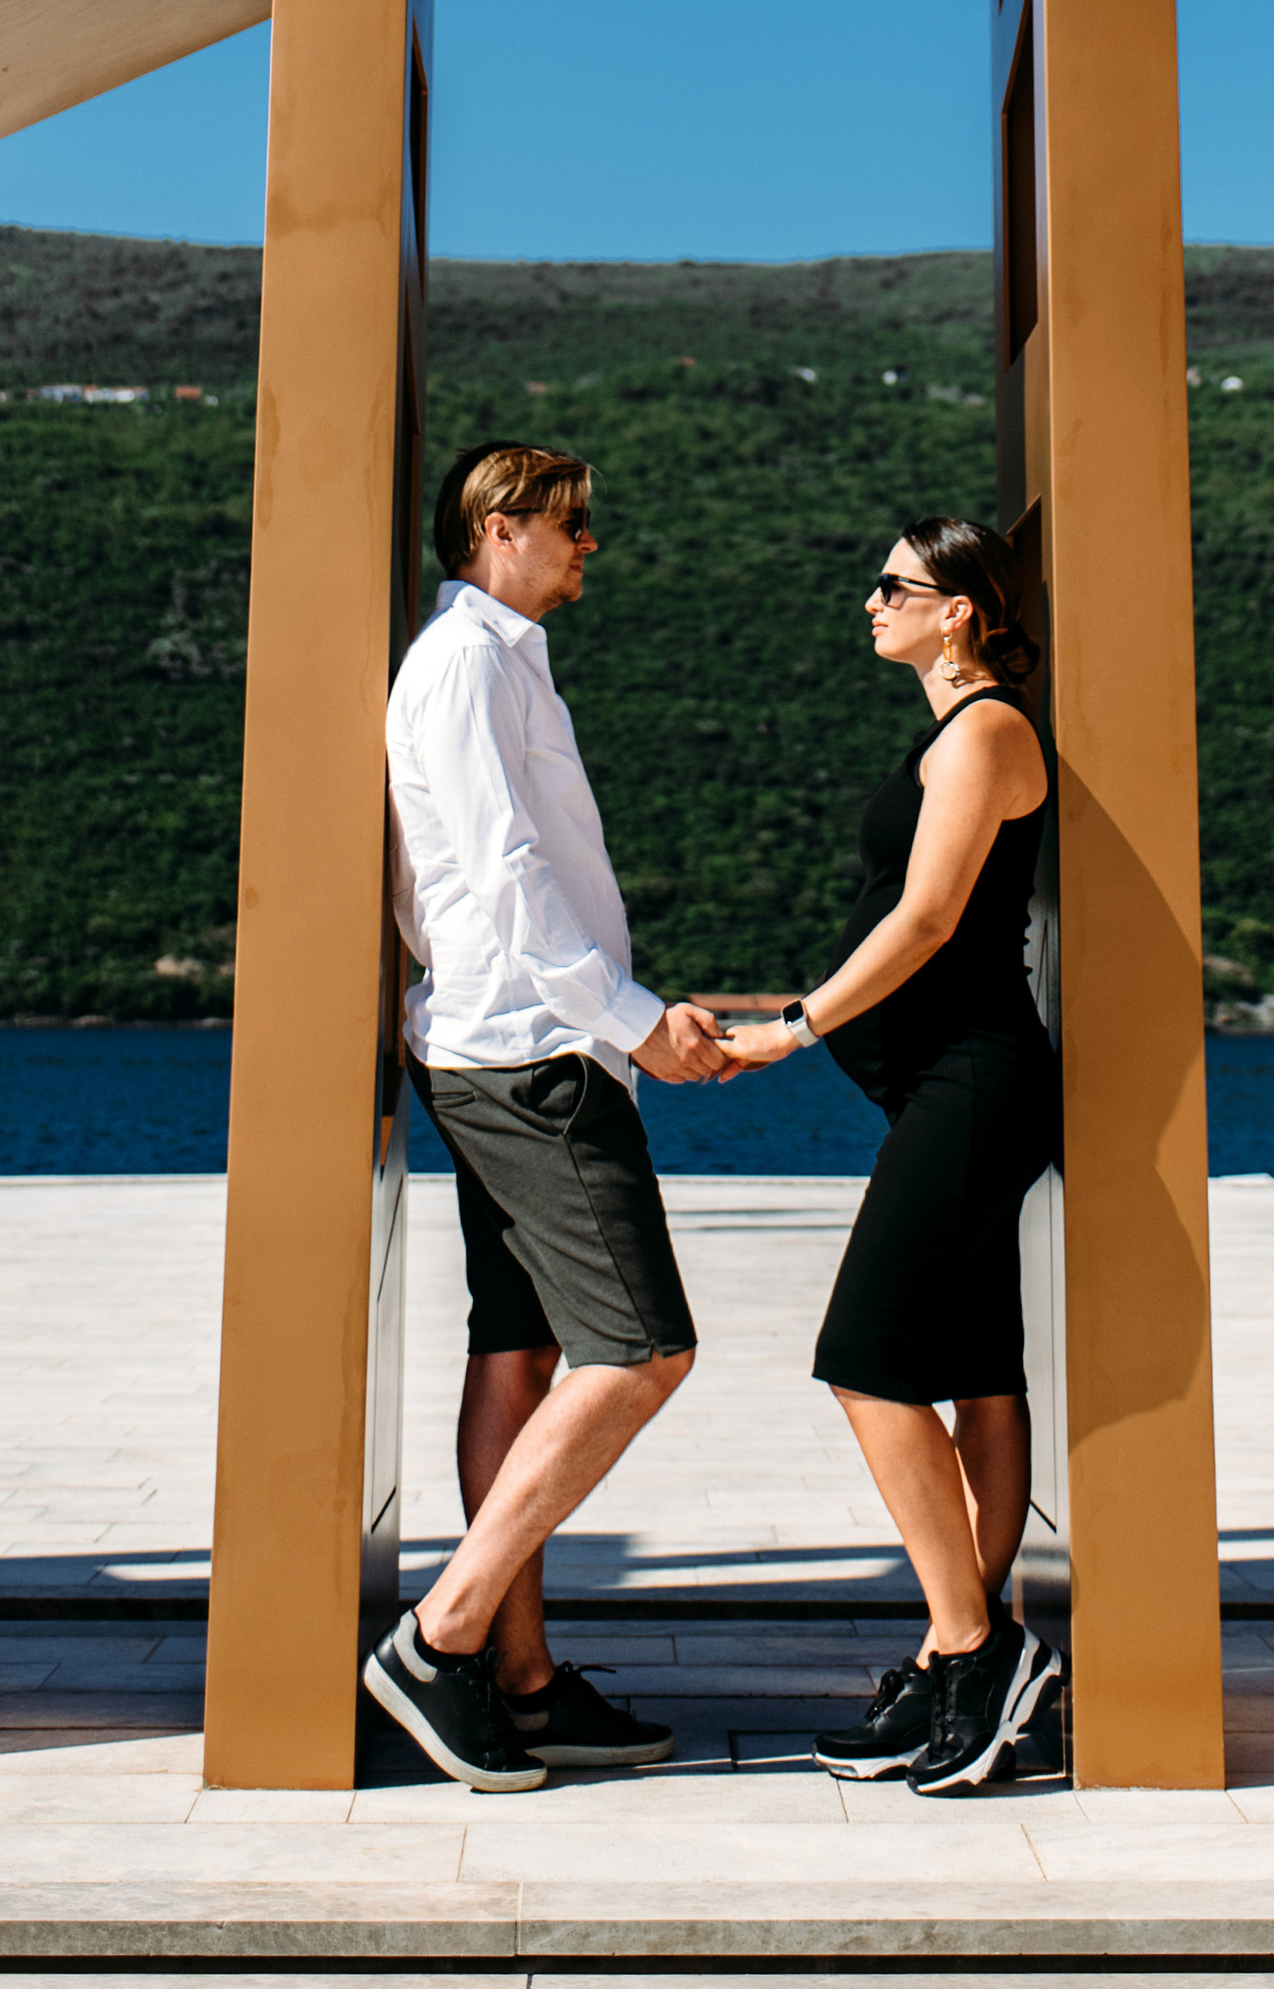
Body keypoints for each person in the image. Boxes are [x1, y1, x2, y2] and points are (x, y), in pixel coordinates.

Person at [362, 441, 733, 1792]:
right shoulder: (463, 662)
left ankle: (516, 1682)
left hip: (512, 1048)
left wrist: (631, 1021)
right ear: (500, 528)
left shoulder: (503, 657)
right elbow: (508, 878)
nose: (589, 549)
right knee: (639, 1352)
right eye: (572, 527)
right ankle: (440, 1641)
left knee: (519, 1357)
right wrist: (635, 1025)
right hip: (532, 1062)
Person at [719, 516, 1063, 1796]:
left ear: (962, 609)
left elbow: (926, 918)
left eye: (895, 586)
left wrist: (793, 1029)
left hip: (972, 1081)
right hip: (940, 1084)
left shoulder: (988, 732)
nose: (870, 601)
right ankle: (954, 1654)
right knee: (974, 1368)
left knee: (866, 1363)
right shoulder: (952, 730)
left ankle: (976, 1648)